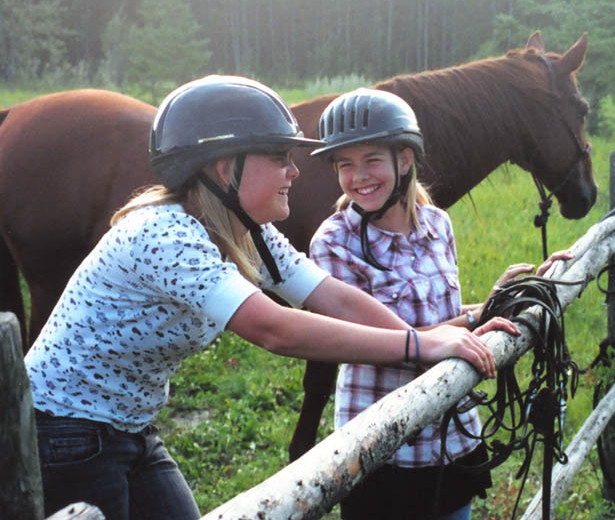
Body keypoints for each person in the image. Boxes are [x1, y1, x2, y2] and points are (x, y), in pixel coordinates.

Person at [23, 75, 518, 520]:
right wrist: (423, 347)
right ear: (225, 170)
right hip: (67, 431)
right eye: (279, 158)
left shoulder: (249, 233)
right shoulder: (165, 235)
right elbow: (273, 328)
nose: (296, 172)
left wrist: (434, 336)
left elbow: (333, 297)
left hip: (131, 424)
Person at [309, 88, 570, 520]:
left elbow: (438, 324)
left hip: (450, 433)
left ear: (405, 159)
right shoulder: (334, 243)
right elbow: (382, 343)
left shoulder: (437, 224)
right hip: (381, 440)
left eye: (372, 160)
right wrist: (475, 317)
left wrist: (497, 302)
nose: (359, 177)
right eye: (345, 165)